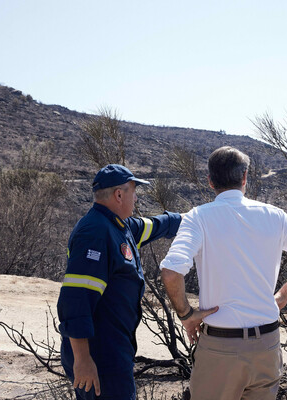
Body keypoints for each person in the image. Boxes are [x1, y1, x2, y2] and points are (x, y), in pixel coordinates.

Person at [159, 146, 287, 400]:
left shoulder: (199, 218)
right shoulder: (274, 216)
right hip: (267, 345)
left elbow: (171, 271)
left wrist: (187, 315)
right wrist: (284, 294)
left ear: (210, 181)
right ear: (244, 178)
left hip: (220, 348)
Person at [57, 164, 182, 400]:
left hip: (114, 349)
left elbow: (156, 225)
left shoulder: (119, 226)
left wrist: (196, 218)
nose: (136, 198)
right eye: (134, 191)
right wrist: (83, 360)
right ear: (118, 195)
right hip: (99, 354)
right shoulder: (95, 232)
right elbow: (75, 302)